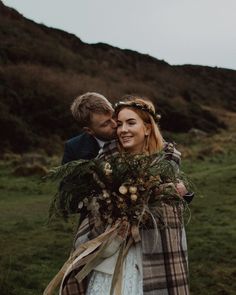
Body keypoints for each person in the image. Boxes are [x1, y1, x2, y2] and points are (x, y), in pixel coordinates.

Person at [44, 96, 190, 295]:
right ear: (89, 130)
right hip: (109, 242)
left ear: (147, 127)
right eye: (114, 124)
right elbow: (70, 194)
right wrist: (107, 202)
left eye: (124, 121)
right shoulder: (96, 154)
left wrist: (183, 192)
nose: (118, 128)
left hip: (153, 245)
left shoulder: (166, 156)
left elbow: (173, 189)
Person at [62, 92, 117, 164]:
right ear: (89, 130)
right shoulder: (73, 149)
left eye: (114, 116)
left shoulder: (132, 132)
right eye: (106, 123)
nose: (115, 124)